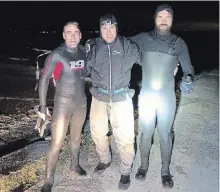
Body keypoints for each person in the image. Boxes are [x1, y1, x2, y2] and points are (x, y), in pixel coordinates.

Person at [129, 4, 195, 188]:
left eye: (167, 16)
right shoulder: (143, 39)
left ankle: (165, 171)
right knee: (145, 134)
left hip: (166, 97)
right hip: (147, 96)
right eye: (160, 16)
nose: (164, 19)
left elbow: (188, 68)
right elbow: (120, 46)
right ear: (155, 19)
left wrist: (188, 79)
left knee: (165, 134)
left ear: (172, 19)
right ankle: (143, 166)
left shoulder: (178, 43)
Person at [85, 14, 141, 190]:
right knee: (97, 133)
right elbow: (80, 67)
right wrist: (59, 72)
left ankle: (125, 170)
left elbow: (148, 62)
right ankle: (105, 160)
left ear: (117, 28)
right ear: (99, 29)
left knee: (125, 137)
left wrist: (171, 67)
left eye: (111, 27)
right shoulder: (93, 47)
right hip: (99, 97)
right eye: (104, 28)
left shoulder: (127, 46)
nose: (108, 32)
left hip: (121, 97)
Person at [38, 21, 87, 192]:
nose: (73, 35)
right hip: (62, 105)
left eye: (76, 32)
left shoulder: (84, 52)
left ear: (80, 35)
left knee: (76, 137)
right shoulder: (57, 54)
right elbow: (44, 79)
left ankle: (75, 165)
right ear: (63, 35)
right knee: (56, 143)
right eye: (69, 32)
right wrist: (43, 106)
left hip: (81, 103)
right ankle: (48, 179)